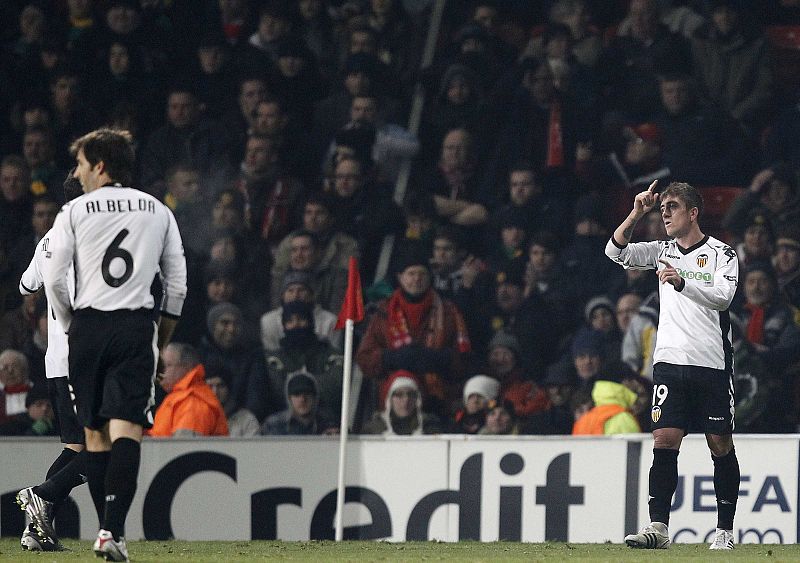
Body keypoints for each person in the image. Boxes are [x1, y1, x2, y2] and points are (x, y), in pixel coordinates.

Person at [41, 128, 187, 561]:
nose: (79, 173)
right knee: (127, 431)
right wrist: (160, 337)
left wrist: (70, 323)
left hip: (85, 329)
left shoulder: (73, 211)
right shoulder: (157, 211)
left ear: (100, 165)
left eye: (83, 164)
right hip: (133, 328)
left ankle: (107, 531)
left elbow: (50, 277)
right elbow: (176, 285)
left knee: (93, 436)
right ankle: (111, 532)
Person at [606, 180, 739, 550]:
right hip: (668, 363)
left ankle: (724, 531)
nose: (664, 213)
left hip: (711, 363)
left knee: (720, 444)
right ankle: (658, 528)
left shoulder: (721, 253)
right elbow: (615, 252)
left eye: (672, 207)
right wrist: (636, 211)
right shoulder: (661, 250)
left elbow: (723, 298)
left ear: (693, 212)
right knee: (664, 441)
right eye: (662, 207)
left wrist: (682, 283)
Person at [14, 172, 88, 552]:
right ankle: (43, 494)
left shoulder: (50, 237)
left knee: (75, 447)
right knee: (109, 444)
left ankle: (35, 531)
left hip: (57, 360)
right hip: (86, 358)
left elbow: (26, 284)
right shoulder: (88, 235)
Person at [149, 343, 228, 437]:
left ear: (187, 367)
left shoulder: (193, 402)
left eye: (167, 365)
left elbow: (184, 447)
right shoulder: (178, 398)